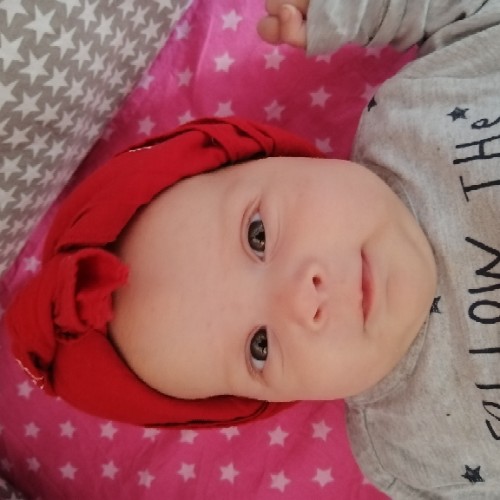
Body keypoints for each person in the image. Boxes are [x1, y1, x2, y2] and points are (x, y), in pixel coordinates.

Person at [5, 0, 500, 497]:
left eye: (258, 236)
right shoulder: (406, 451)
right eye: (259, 347)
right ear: (268, 401)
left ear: (276, 158)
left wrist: (353, 11)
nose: (301, 297)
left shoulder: (418, 107)